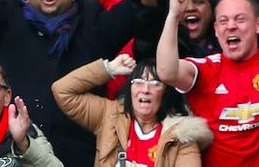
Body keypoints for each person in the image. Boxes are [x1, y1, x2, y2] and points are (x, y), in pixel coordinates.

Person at [0, 0, 164, 166]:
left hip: (82, 155)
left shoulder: (92, 23)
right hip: (19, 151)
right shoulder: (6, 23)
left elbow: (138, 15)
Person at [156, 0, 259, 166]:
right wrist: (173, 15)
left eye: (240, 19)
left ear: (258, 25)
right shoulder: (206, 69)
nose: (231, 26)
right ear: (216, 30)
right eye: (223, 21)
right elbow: (167, 72)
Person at [52, 54, 213, 167]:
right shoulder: (110, 115)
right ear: (130, 90)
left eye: (155, 84)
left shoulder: (182, 136)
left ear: (166, 94)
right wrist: (108, 69)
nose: (145, 89)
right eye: (138, 82)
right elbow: (62, 91)